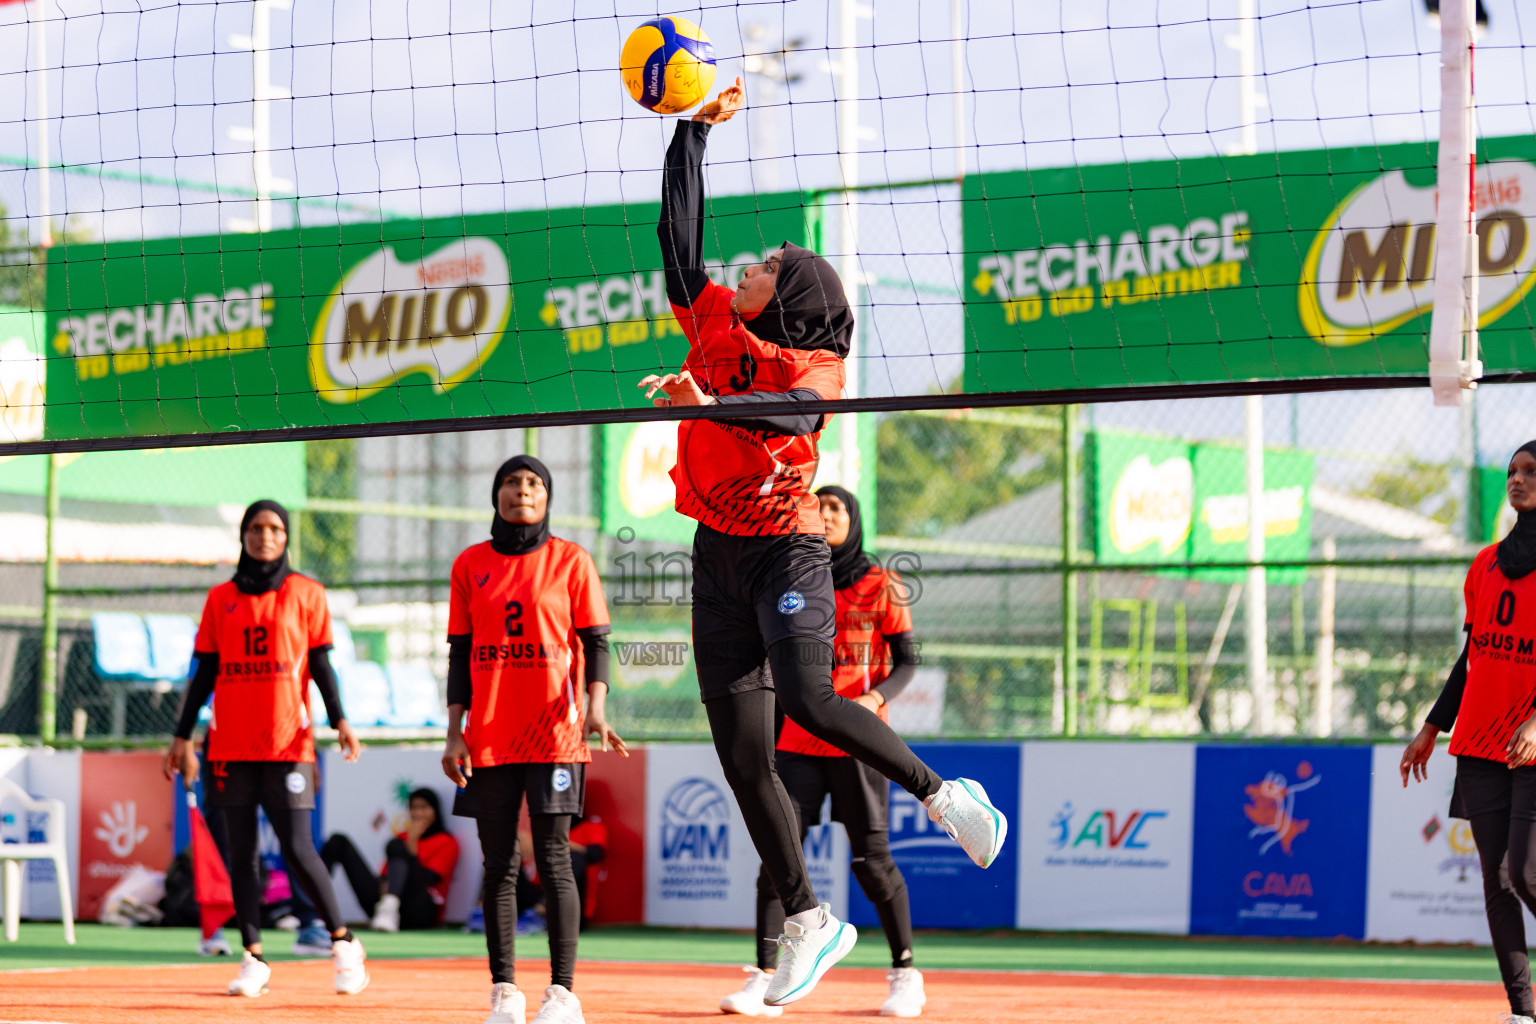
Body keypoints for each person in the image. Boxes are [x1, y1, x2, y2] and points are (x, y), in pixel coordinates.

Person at [639, 79, 1007, 1010]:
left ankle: (940, 792)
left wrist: (710, 404)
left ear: (792, 293)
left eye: (767, 264)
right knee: (739, 755)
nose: (747, 268)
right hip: (714, 551)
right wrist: (691, 135)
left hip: (786, 550)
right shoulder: (715, 321)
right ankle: (806, 918)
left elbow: (786, 416)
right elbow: (676, 248)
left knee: (810, 694)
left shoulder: (816, 362)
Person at [720, 486, 926, 1018]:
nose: (827, 514)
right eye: (819, 506)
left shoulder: (882, 583)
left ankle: (905, 973)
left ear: (854, 520)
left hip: (857, 742)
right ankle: (766, 978)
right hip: (796, 742)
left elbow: (907, 659)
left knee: (872, 861)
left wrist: (875, 697)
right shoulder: (784, 578)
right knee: (777, 859)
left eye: (837, 508)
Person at [441, 455, 627, 1024]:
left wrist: (595, 708)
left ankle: (562, 993)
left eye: (534, 483)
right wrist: (454, 733)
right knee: (498, 864)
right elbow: (458, 657)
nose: (522, 490)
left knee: (553, 859)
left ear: (547, 498)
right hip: (489, 734)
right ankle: (504, 991)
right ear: (495, 496)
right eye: (511, 482)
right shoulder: (470, 564)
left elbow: (596, 642)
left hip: (556, 733)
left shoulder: (571, 560)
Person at [163, 499, 369, 998]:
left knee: (298, 848)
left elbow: (321, 667)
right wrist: (182, 734)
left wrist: (340, 719)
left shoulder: (307, 593)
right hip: (229, 745)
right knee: (241, 855)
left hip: (287, 743)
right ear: (243, 536)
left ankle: (344, 942)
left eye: (274, 527)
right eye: (255, 528)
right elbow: (204, 674)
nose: (265, 535)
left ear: (286, 536)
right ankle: (253, 956)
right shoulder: (220, 600)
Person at [1402, 441, 1536, 1024]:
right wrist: (1431, 727)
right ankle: (1523, 1013)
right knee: (1499, 881)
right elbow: (1472, 657)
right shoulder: (1483, 564)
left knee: (1528, 873)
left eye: (1531, 472)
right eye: (1512, 472)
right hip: (1479, 742)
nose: (1517, 481)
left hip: (1532, 745)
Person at [319, 787, 460, 932]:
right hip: (384, 910)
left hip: (420, 912)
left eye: (424, 808)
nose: (418, 813)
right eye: (413, 808)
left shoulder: (446, 841)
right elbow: (387, 878)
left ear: (435, 810)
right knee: (338, 841)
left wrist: (412, 842)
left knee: (397, 845)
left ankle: (389, 909)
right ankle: (310, 907)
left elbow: (427, 880)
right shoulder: (402, 837)